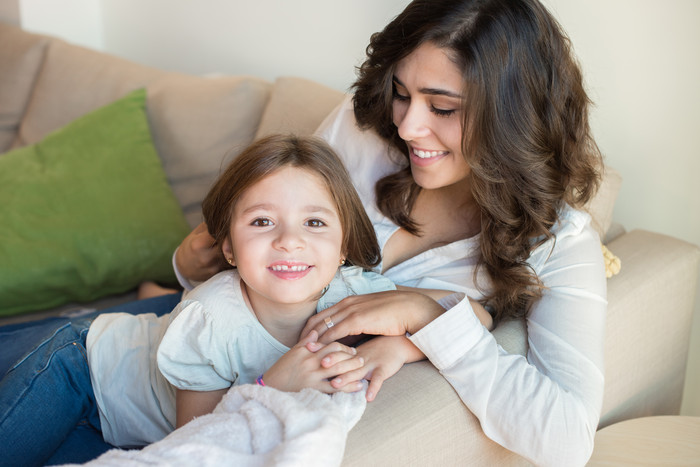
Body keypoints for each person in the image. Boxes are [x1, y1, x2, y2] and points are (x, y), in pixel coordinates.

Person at [176, 1, 607, 466]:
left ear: (513, 115)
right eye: (402, 93)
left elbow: (568, 441)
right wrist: (185, 265)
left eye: (442, 107)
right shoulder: (363, 131)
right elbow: (241, 270)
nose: (407, 125)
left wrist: (423, 320)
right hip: (168, 354)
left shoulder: (559, 243)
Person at [0, 135, 399, 466]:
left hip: (130, 431)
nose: (289, 240)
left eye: (314, 222)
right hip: (80, 372)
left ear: (344, 244)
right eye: (262, 221)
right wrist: (271, 386)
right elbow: (194, 438)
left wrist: (399, 345)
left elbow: (437, 319)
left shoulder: (357, 296)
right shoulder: (210, 318)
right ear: (228, 247)